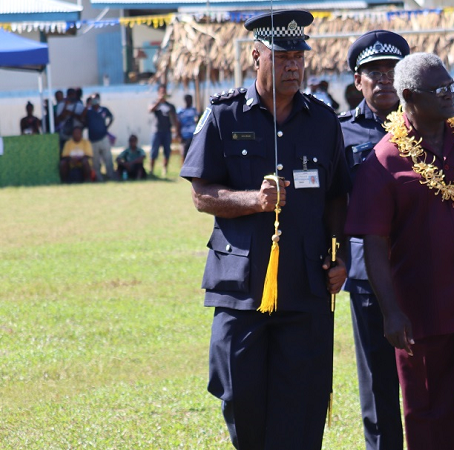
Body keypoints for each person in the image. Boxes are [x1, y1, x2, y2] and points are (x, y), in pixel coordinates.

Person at [179, 10, 351, 450]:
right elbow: (202, 195)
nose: (294, 65)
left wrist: (341, 255)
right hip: (242, 289)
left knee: (305, 399)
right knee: (241, 395)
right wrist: (253, 201)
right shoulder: (223, 115)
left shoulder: (323, 121)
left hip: (306, 285)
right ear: (256, 55)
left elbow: (337, 196)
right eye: (283, 56)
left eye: (299, 57)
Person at [346, 52, 454, 450]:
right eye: (439, 90)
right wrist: (390, 312)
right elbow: (372, 242)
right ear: (409, 95)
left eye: (451, 87)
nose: (450, 95)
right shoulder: (384, 161)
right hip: (423, 311)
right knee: (429, 412)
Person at [338, 29, 410, 450]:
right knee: (378, 379)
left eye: (393, 70)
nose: (384, 79)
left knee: (431, 376)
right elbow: (332, 203)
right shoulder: (340, 133)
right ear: (357, 81)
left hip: (424, 266)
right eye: (373, 72)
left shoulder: (431, 124)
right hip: (367, 273)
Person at [82, 94, 116, 181]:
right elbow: (82, 117)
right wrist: (87, 106)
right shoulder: (89, 111)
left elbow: (111, 117)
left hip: (103, 138)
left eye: (96, 99)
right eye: (92, 100)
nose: (94, 101)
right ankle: (98, 178)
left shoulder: (104, 109)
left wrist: (106, 127)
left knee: (108, 158)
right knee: (95, 161)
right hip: (93, 140)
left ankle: (111, 176)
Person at [149, 84, 178, 178]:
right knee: (154, 152)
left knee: (167, 151)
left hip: (167, 131)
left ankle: (164, 170)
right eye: (161, 92)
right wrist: (158, 102)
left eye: (164, 92)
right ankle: (151, 171)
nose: (163, 94)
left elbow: (174, 118)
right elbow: (150, 110)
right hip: (156, 131)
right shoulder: (154, 103)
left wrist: (176, 130)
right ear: (158, 93)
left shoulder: (170, 106)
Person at [177, 94, 199, 164]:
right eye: (189, 100)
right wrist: (179, 135)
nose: (190, 101)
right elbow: (178, 124)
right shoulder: (181, 111)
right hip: (184, 135)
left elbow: (198, 121)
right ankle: (183, 168)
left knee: (194, 153)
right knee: (184, 153)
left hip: (193, 135)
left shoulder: (194, 110)